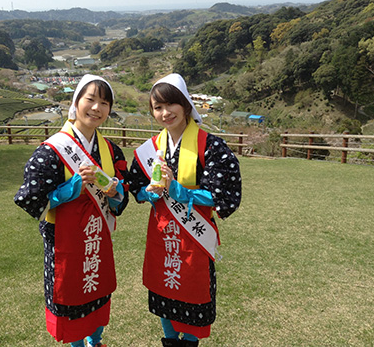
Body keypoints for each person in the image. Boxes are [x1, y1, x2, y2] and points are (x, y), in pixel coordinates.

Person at [14, 74, 129, 347]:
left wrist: (114, 192)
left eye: (104, 102)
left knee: (96, 288)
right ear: (76, 102)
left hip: (95, 238)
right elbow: (30, 199)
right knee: (70, 292)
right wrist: (69, 190)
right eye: (90, 99)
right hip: (63, 241)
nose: (96, 108)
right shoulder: (51, 150)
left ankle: (96, 340)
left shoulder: (112, 152)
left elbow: (120, 202)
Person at [128, 73, 241, 347]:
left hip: (194, 237)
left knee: (193, 294)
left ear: (186, 105)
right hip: (163, 235)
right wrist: (148, 193)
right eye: (157, 107)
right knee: (165, 290)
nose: (165, 113)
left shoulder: (211, 146)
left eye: (171, 104)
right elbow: (136, 187)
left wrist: (177, 189)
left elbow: (221, 195)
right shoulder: (151, 149)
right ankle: (169, 341)